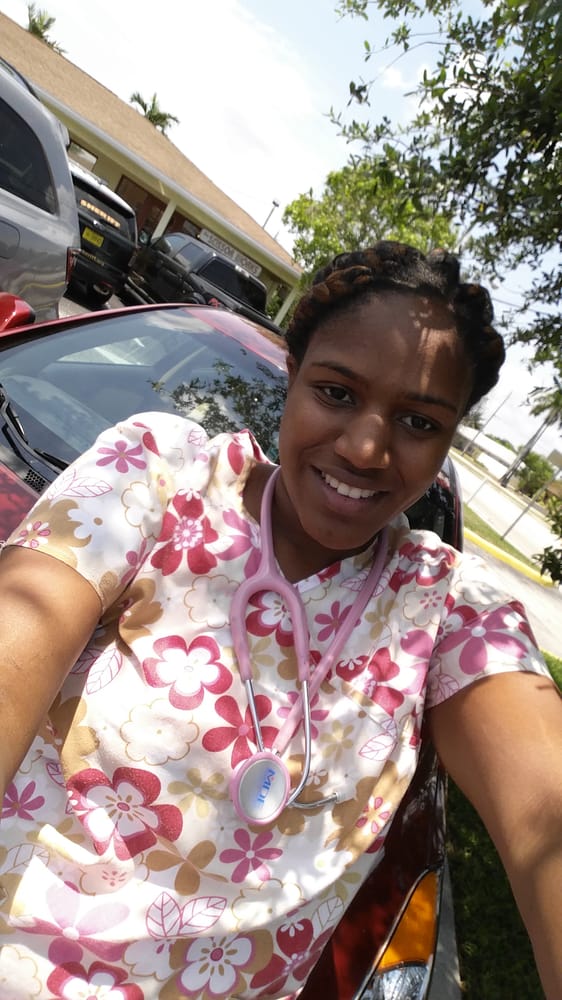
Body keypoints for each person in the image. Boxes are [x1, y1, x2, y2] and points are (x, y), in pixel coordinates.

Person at [0, 242, 560, 1000]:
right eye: (335, 392)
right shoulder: (159, 476)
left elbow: (547, 821)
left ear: (447, 440)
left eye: (417, 421)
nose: (365, 448)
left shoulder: (445, 612)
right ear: (292, 375)